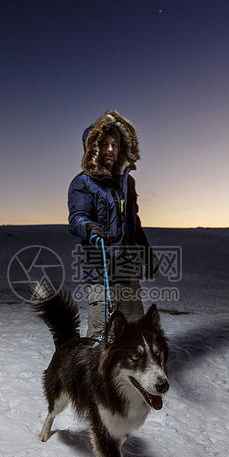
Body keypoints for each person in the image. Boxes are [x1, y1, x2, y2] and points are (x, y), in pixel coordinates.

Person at [68, 110, 157, 338]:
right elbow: (77, 217)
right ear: (93, 148)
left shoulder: (127, 183)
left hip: (126, 265)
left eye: (115, 144)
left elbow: (134, 224)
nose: (110, 149)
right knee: (101, 330)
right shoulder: (83, 183)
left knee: (136, 326)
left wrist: (147, 254)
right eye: (104, 144)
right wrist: (89, 228)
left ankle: (130, 373)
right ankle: (93, 373)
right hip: (99, 267)